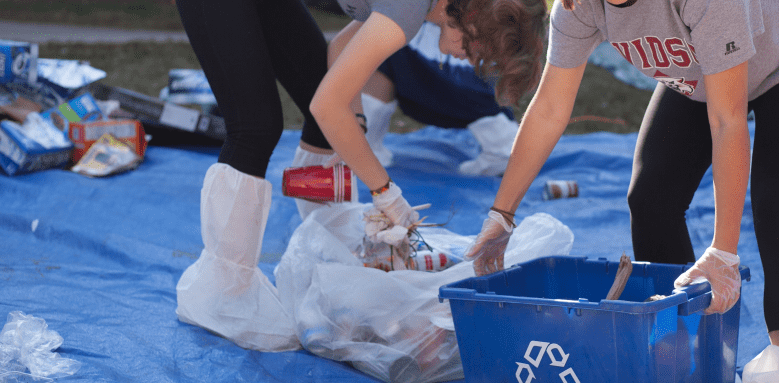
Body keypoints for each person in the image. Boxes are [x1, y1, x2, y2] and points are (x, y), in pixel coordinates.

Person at [465, 0, 779, 361]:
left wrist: (724, 251)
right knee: (651, 200)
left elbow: (727, 120)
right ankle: (687, 357)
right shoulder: (578, 7)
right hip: (703, 67)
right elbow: (549, 108)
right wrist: (502, 214)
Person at [174, 0, 547, 351]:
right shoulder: (411, 7)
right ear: (473, 20)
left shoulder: (418, 8)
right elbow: (327, 104)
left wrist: (355, 125)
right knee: (255, 127)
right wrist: (384, 191)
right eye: (478, 51)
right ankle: (223, 292)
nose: (466, 59)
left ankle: (332, 246)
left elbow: (340, 51)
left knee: (324, 105)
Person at [360, 20, 519, 176]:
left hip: (445, 40)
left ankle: (502, 149)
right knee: (383, 57)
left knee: (471, 89)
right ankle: (365, 148)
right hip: (418, 36)